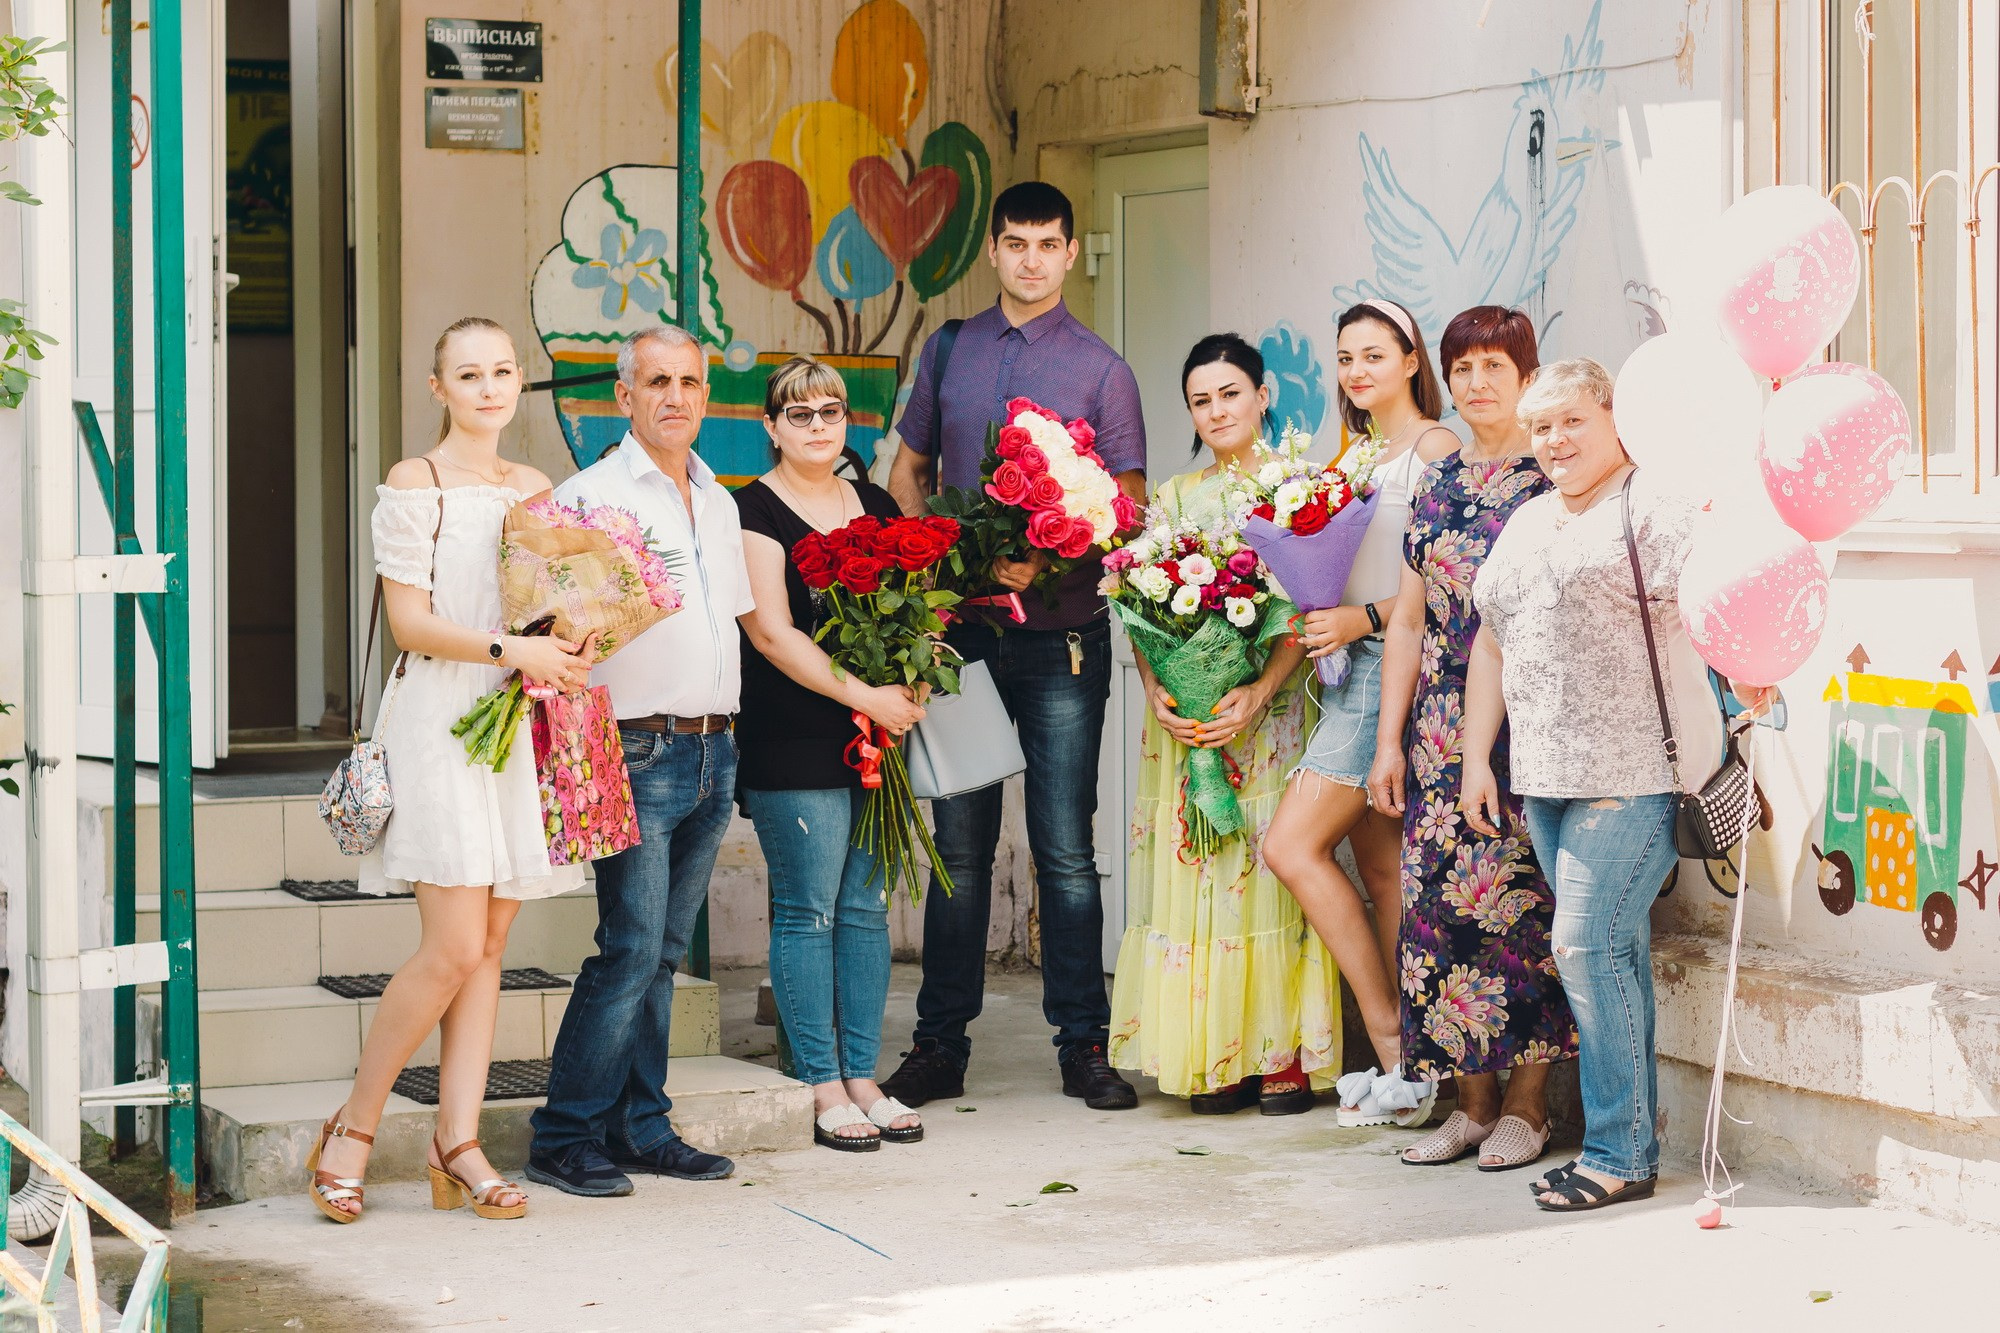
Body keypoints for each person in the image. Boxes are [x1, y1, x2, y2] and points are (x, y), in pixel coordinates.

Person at [1462, 357, 1766, 1212]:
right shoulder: (1526, 520)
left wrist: (1752, 675)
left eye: (1570, 421)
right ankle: (1627, 1140)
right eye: (1539, 427)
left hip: (1635, 773)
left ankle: (1620, 1152)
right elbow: (1494, 640)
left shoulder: (1655, 507)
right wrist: (1475, 756)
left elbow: (1719, 598)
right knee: (1613, 953)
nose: (1553, 441)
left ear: (1613, 419)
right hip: (1547, 777)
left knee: (1584, 946)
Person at [310, 316, 593, 1224]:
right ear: (439, 388)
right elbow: (411, 624)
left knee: (494, 945)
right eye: (468, 373)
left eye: (503, 371)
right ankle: (353, 1126)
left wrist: (578, 633)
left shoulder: (537, 484)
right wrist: (515, 644)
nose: (488, 387)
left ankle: (457, 1140)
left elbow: (552, 606)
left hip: (516, 720)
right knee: (451, 946)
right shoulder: (415, 481)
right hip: (439, 716)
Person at [882, 181, 1148, 1111]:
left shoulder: (1102, 369)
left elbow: (1128, 505)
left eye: (1048, 244)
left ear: (1072, 253)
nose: (1031, 259)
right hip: (958, 636)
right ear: (992, 251)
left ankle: (1083, 1044)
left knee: (1065, 850)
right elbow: (910, 468)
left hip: (1062, 637)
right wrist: (934, 558)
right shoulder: (949, 349)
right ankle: (937, 1046)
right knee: (957, 843)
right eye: (1016, 243)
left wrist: (1052, 548)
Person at [525, 324, 752, 1197]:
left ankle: (640, 1124)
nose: (675, 397)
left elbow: (727, 622)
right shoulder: (587, 501)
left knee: (661, 952)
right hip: (637, 746)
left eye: (689, 381)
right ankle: (564, 1131)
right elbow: (555, 633)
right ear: (623, 396)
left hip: (713, 747)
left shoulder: (719, 500)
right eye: (656, 381)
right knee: (627, 947)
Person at [1364, 307, 1578, 1171]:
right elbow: (1410, 621)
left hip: (1525, 722)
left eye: (1496, 364)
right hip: (1437, 728)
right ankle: (1471, 1104)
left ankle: (1529, 1109)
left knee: (1516, 915)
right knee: (1440, 918)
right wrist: (1389, 742)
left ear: (1528, 375)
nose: (1478, 381)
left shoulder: (1551, 477)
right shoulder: (1439, 480)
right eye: (1464, 368)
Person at [1107, 334, 1338, 1115]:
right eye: (1201, 400)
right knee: (1200, 876)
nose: (1216, 411)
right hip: (1187, 726)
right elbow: (1140, 617)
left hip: (1266, 719)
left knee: (1265, 876)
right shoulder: (1171, 499)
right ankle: (1214, 1056)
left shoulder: (1303, 490)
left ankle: (1279, 1057)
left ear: (1263, 395)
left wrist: (1257, 693)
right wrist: (1160, 691)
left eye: (1230, 393)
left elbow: (1302, 616)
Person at [1262, 298, 1457, 1129]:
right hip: (1341, 668)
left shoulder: (1435, 448)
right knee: (1382, 873)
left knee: (1290, 845)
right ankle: (1412, 1061)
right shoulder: (1353, 451)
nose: (1357, 371)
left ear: (1413, 361)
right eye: (1345, 358)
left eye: (1375, 355)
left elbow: (1444, 578)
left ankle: (1392, 1049)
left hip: (1385, 664)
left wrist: (1361, 621)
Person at [735, 356, 929, 1152]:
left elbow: (911, 608)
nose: (818, 426)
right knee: (808, 910)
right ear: (772, 427)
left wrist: (915, 671)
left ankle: (861, 1075)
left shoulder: (876, 503)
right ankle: (818, 1079)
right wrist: (869, 696)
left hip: (874, 738)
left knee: (864, 907)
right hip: (794, 735)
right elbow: (772, 633)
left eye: (831, 411)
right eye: (800, 413)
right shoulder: (752, 509)